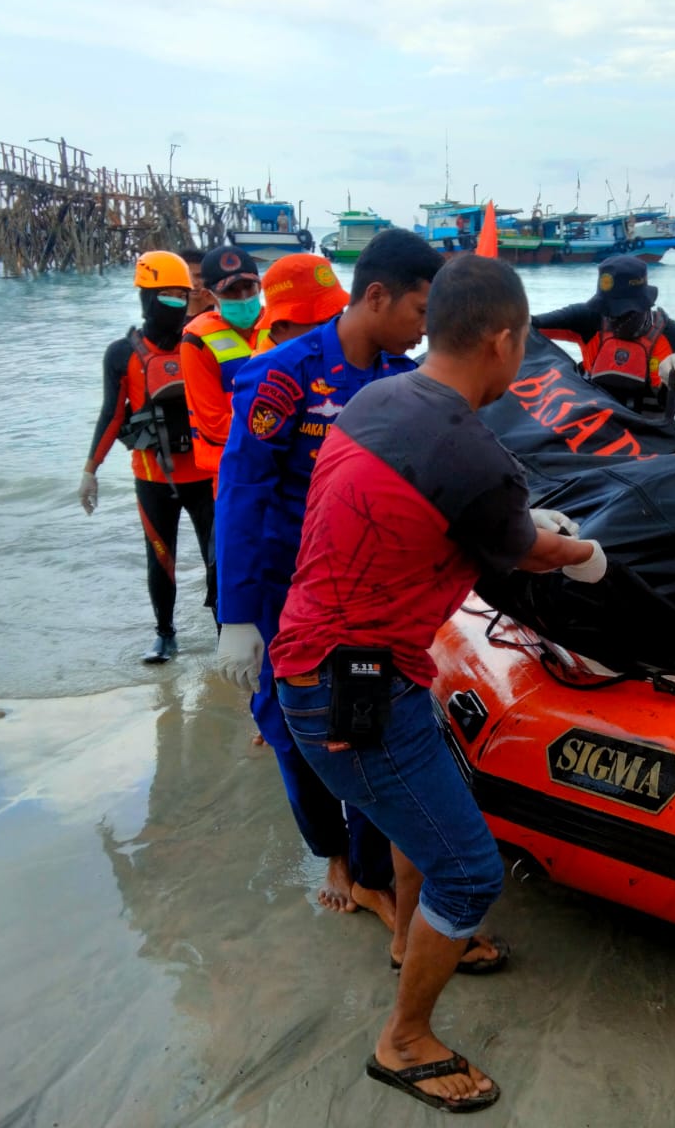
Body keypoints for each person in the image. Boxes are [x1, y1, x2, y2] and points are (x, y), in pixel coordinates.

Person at [270, 254, 606, 1111]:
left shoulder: (376, 398)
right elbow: (528, 550)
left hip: (329, 659)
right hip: (353, 691)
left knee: (422, 823)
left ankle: (411, 942)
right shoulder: (473, 453)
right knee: (468, 871)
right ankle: (404, 1039)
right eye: (523, 344)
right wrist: (584, 552)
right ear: (503, 340)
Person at [212, 229, 442, 925]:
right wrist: (237, 615)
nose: (425, 328)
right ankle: (334, 855)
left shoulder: (404, 377)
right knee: (288, 732)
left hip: (364, 594)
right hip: (285, 587)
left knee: (365, 729)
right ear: (377, 297)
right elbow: (240, 493)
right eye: (419, 312)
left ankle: (373, 875)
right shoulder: (285, 376)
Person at [78, 250, 215, 663]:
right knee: (161, 560)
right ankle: (165, 633)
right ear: (146, 296)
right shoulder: (122, 354)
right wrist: (90, 471)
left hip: (206, 477)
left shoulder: (203, 339)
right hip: (153, 479)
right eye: (167, 293)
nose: (176, 301)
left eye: (182, 292)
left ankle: (228, 633)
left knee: (219, 560)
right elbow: (111, 413)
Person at [531, 255, 675, 413]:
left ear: (644, 305)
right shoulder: (588, 318)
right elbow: (527, 327)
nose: (612, 319)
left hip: (645, 434)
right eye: (606, 311)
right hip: (592, 429)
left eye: (620, 313)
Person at [181, 245, 269, 476]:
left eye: (249, 287)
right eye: (230, 291)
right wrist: (277, 430)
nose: (243, 297)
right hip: (232, 467)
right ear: (210, 296)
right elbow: (213, 424)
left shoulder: (281, 325)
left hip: (281, 461)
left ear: (260, 285)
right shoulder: (197, 342)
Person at [255, 252, 350, 352]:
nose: (339, 328)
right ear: (282, 324)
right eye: (325, 322)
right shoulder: (268, 366)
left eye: (340, 317)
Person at [178, 246, 216, 320]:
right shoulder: (170, 319)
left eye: (199, 276)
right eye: (187, 276)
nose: (194, 283)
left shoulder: (222, 315)